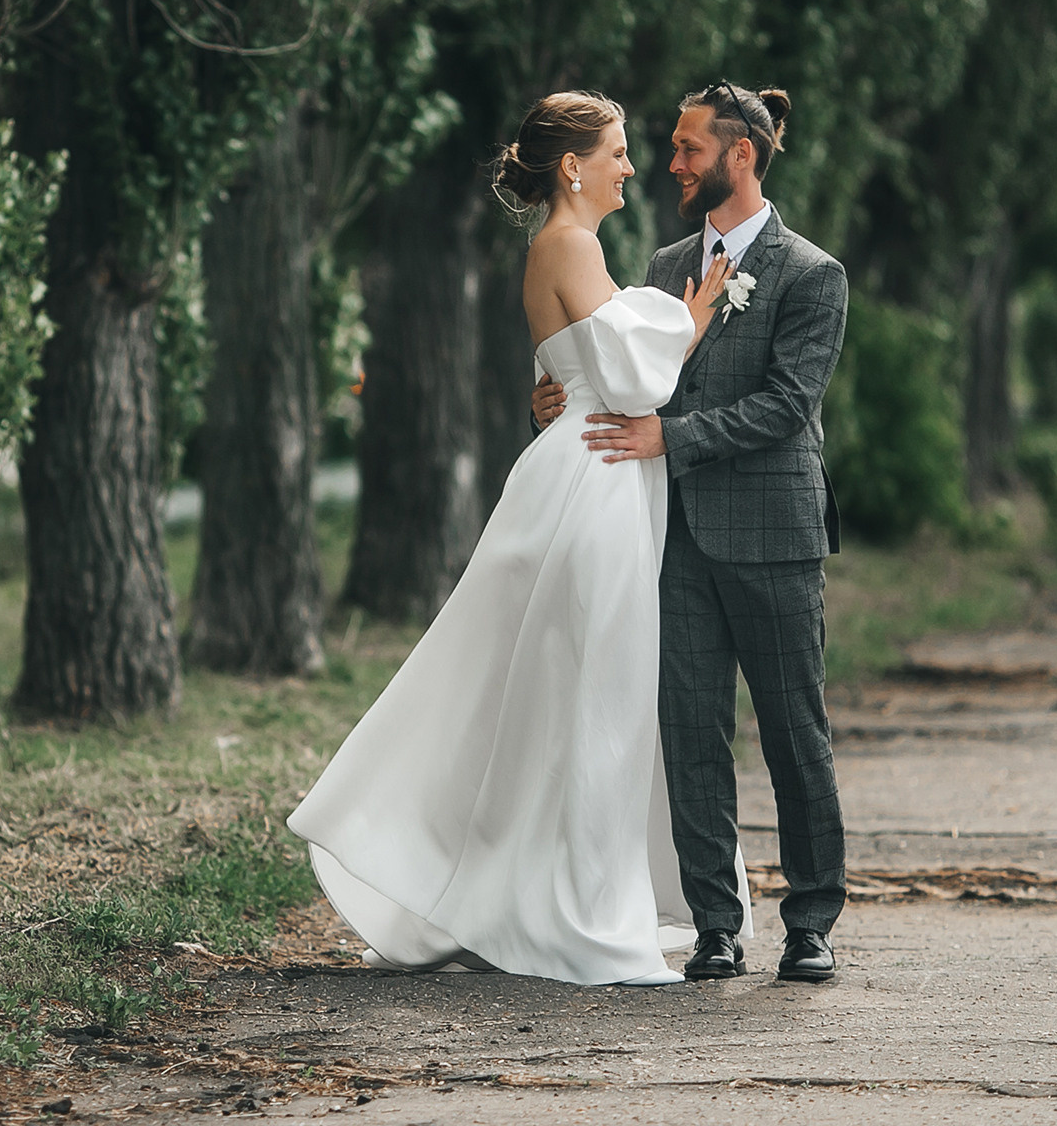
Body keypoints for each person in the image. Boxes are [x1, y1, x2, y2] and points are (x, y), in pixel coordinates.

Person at [288, 90, 744, 987]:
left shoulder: (568, 247)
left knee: (561, 693)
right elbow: (631, 377)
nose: (629, 165)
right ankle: (569, 910)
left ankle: (523, 889)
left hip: (588, 469)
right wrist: (690, 321)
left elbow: (569, 368)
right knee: (596, 697)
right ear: (573, 166)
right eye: (616, 150)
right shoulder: (571, 244)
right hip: (597, 482)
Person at [533, 81, 849, 984]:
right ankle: (716, 922)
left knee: (795, 729)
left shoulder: (812, 273)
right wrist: (556, 399)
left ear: (739, 155)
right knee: (692, 731)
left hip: (774, 529)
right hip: (670, 533)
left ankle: (813, 920)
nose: (670, 162)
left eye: (686, 148)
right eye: (666, 148)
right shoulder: (664, 258)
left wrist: (667, 436)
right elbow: (624, 372)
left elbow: (788, 406)